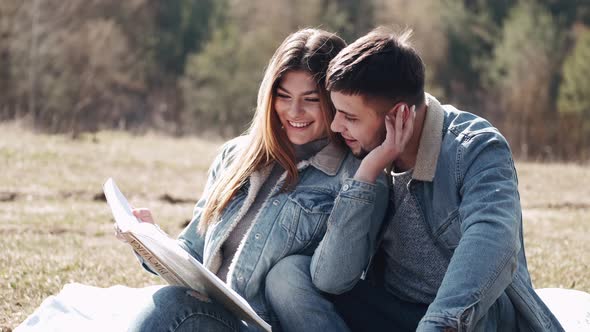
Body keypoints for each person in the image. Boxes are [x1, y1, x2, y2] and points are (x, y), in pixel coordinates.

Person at [265, 27, 565, 332]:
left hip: (467, 319)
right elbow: (331, 278)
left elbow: (491, 242)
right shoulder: (363, 156)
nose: (336, 125)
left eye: (350, 117)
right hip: (398, 312)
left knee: (482, 308)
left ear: (400, 116)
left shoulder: (476, 147)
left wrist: (436, 325)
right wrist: (366, 177)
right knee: (288, 275)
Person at [117, 28, 398, 332]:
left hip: (271, 325)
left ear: (335, 99)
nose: (294, 111)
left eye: (310, 99)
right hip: (216, 316)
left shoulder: (357, 180)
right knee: (169, 301)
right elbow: (194, 250)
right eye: (284, 96)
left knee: (172, 308)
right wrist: (148, 241)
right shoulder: (235, 156)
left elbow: (336, 278)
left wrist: (364, 180)